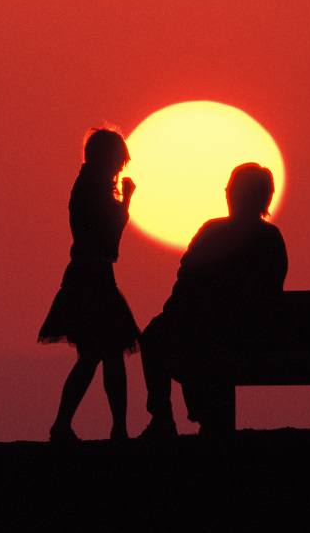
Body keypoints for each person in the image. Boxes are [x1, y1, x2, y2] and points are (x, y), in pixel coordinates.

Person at [139, 162, 288, 438]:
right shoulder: (272, 238)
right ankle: (202, 414)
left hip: (213, 333)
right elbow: (272, 289)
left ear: (235, 194)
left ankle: (164, 418)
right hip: (256, 335)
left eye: (231, 190)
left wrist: (175, 311)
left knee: (156, 337)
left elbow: (186, 279)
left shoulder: (213, 231)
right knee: (188, 336)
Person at [38, 127, 141, 442]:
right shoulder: (92, 189)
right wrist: (126, 203)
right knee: (103, 355)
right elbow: (111, 240)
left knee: (99, 355)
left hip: (89, 277)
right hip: (92, 279)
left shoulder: (86, 186)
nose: (119, 168)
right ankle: (110, 428)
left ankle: (85, 426)